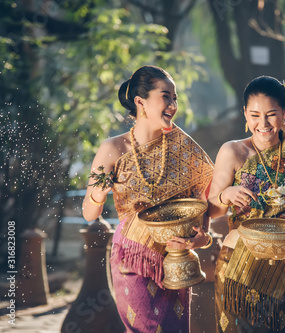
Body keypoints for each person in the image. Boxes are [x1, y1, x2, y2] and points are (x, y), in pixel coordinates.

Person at [82, 65, 214, 333]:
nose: (173, 105)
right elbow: (89, 213)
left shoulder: (183, 146)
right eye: (166, 96)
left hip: (177, 259)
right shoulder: (113, 149)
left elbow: (205, 201)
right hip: (133, 256)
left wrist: (203, 238)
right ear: (141, 101)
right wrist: (99, 193)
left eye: (175, 98)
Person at [208, 76, 285, 332]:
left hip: (279, 268)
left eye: (271, 114)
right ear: (245, 115)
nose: (263, 123)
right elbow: (213, 208)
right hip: (237, 264)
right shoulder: (233, 151)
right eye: (254, 115)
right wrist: (227, 194)